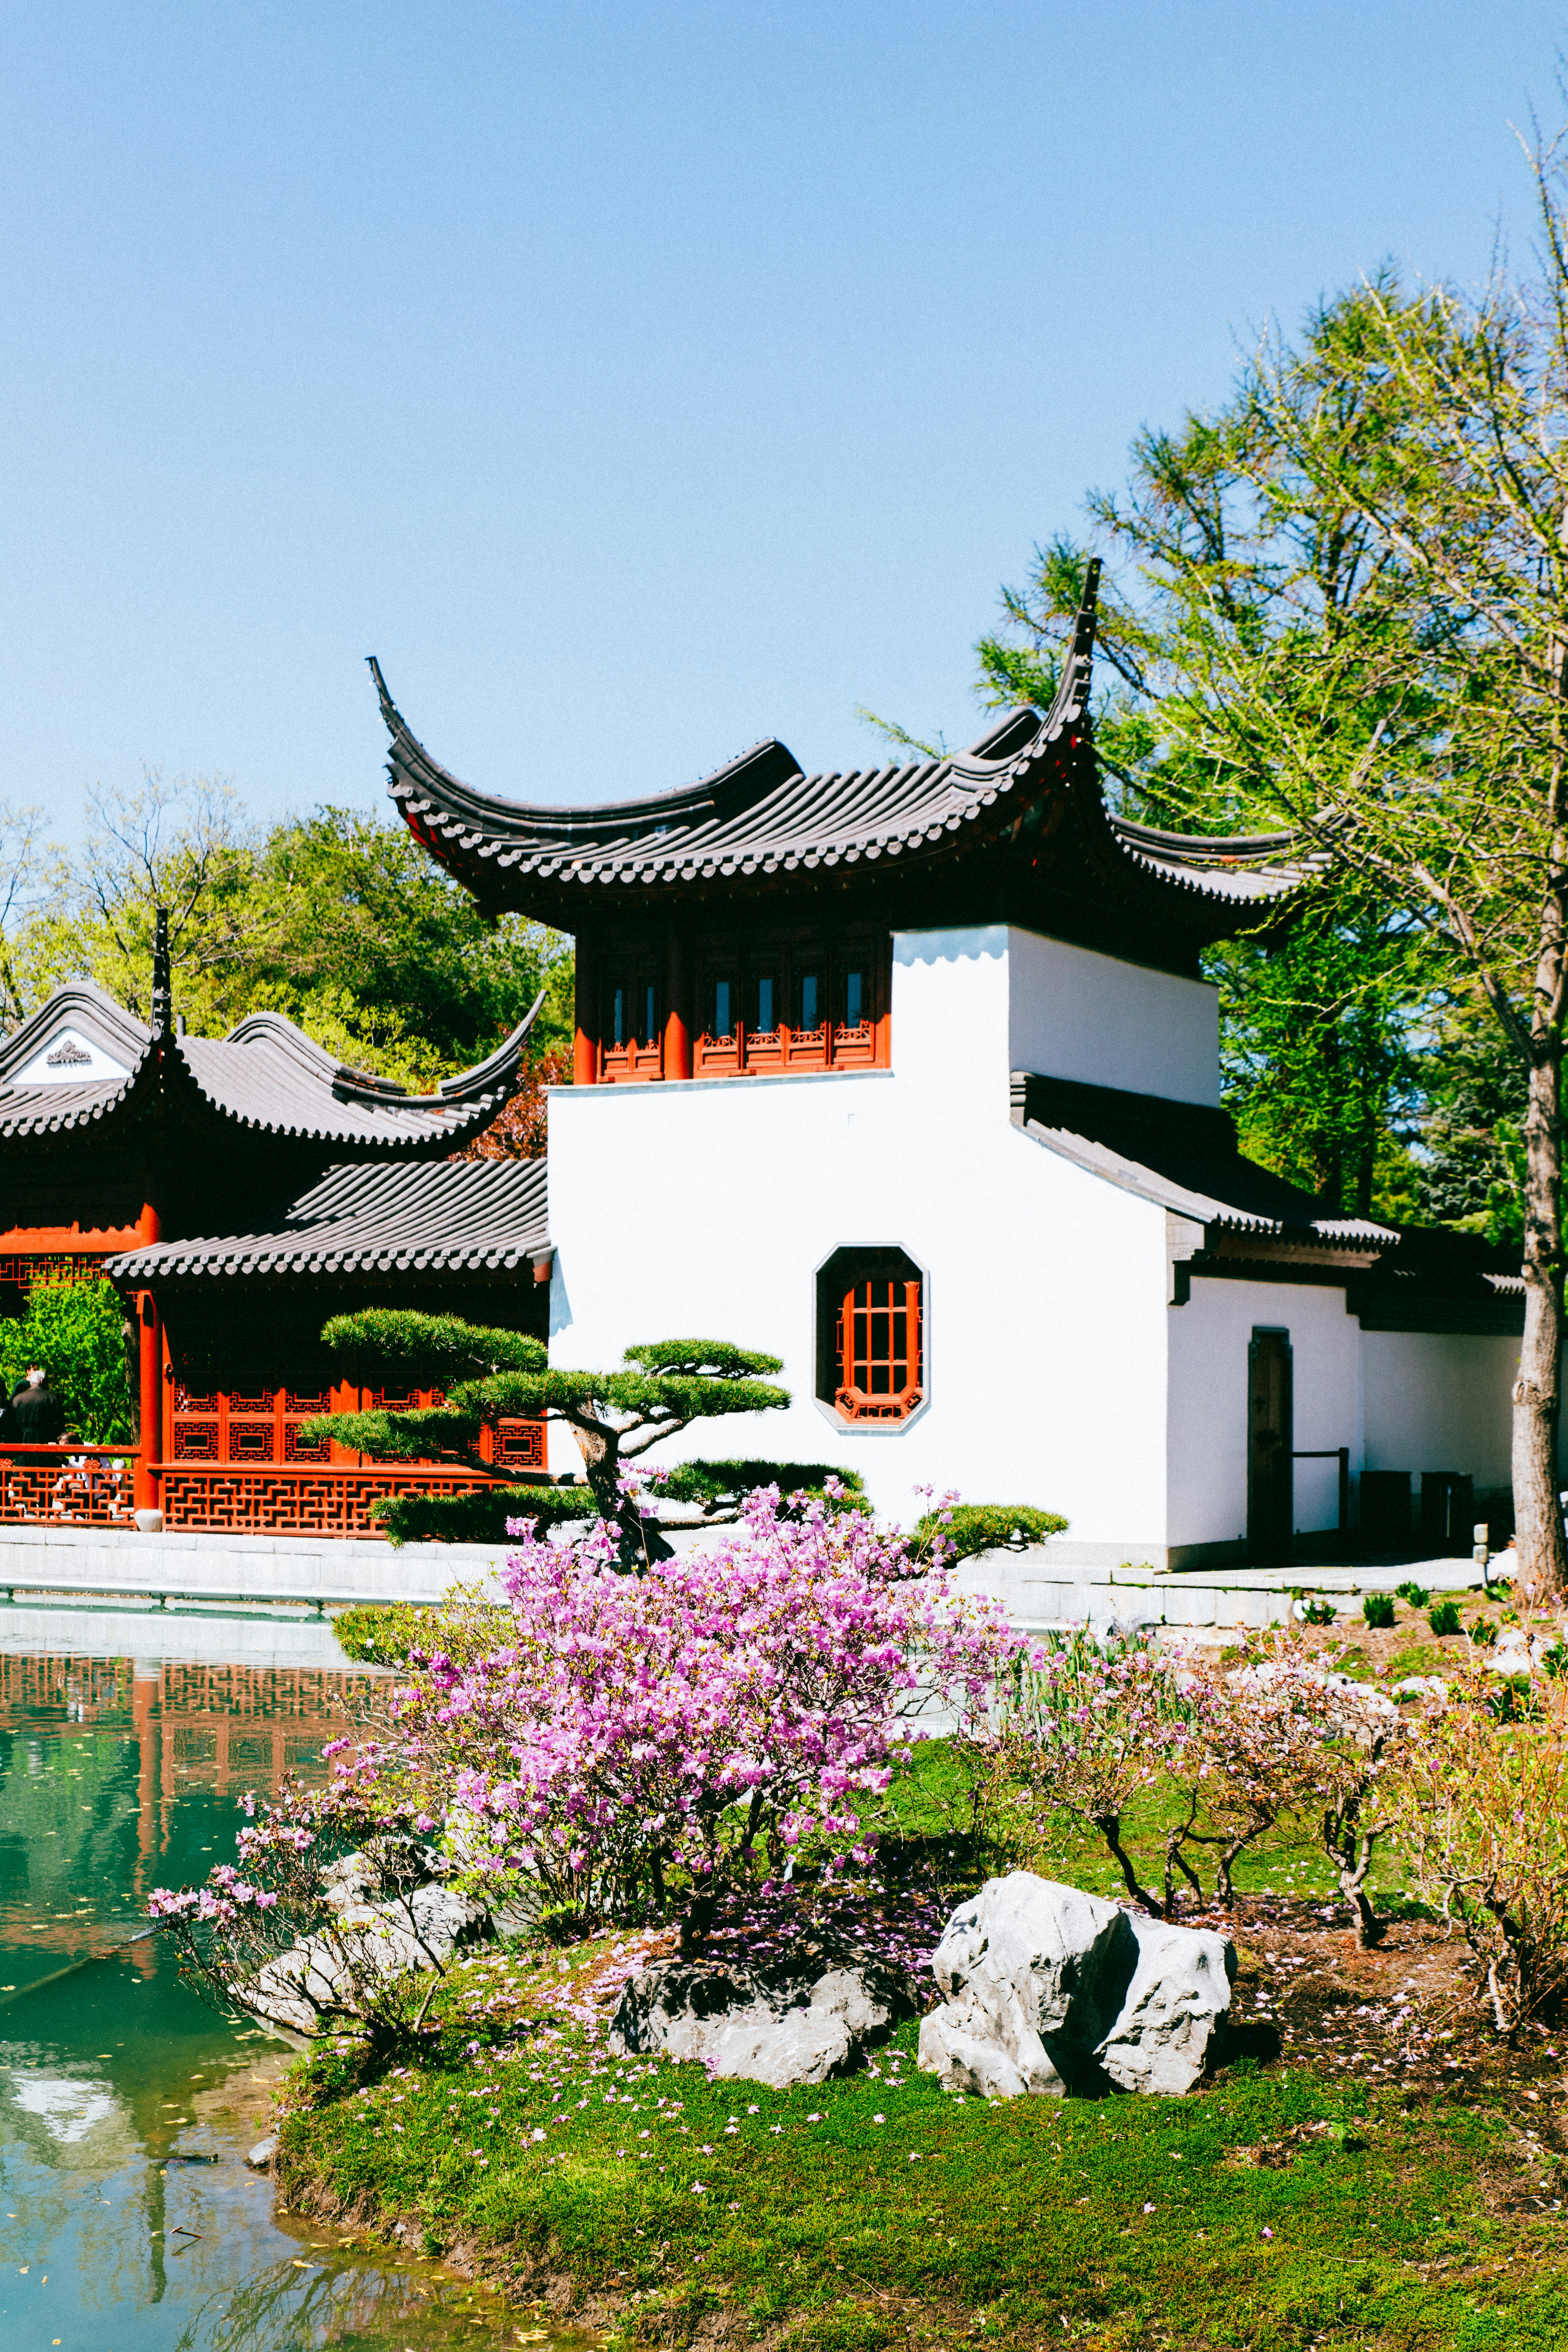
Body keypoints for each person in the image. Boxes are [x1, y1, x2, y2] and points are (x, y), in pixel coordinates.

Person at [8, 1365, 66, 1445]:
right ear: (42, 1381)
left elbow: (10, 1425)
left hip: (22, 1445)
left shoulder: (17, 1400)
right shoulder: (53, 1399)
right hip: (46, 1445)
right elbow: (60, 1425)